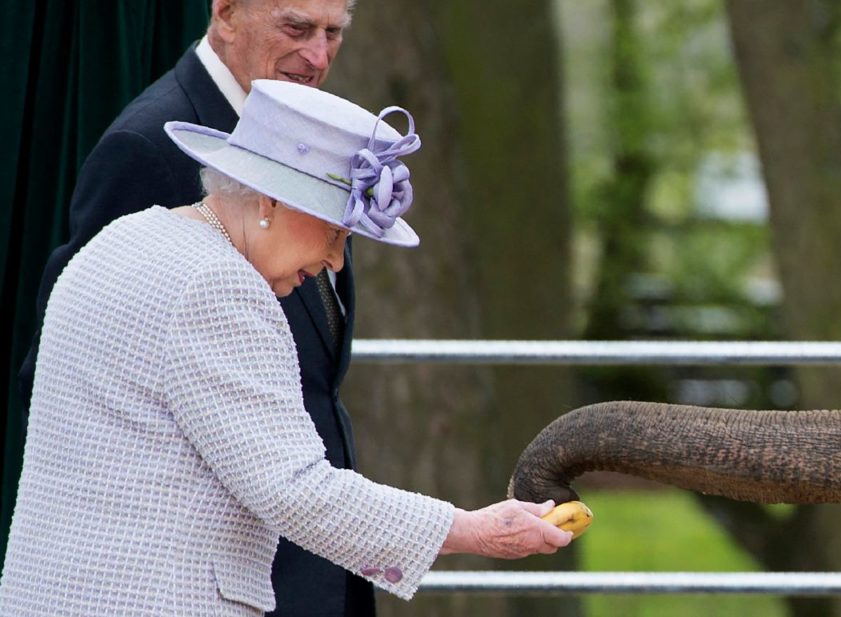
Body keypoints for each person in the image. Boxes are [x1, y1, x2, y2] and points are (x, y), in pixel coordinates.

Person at [0, 79, 572, 616]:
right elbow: (294, 489)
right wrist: (471, 530)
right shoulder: (218, 283)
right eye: (337, 234)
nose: (336, 262)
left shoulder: (123, 239)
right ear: (271, 202)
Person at [15, 1, 372, 614]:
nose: (317, 55)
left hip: (310, 553)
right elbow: (75, 364)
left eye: (332, 32)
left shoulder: (300, 136)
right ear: (227, 12)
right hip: (181, 580)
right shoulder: (149, 145)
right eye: (296, 27)